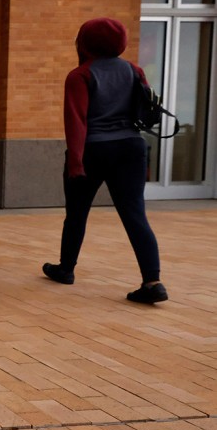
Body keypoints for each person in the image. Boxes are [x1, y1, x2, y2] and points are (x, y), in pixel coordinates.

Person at [42, 17, 168, 304]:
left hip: (93, 150)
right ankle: (153, 280)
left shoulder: (81, 75)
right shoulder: (134, 70)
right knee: (135, 215)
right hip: (132, 147)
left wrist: (75, 161)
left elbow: (76, 121)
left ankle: (66, 269)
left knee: (76, 213)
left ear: (84, 42)